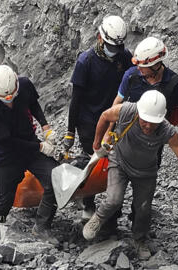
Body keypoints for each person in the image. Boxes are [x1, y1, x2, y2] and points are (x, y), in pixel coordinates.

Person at [82, 90, 178, 258]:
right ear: (139, 112)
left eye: (153, 123)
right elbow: (104, 116)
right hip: (120, 161)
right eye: (144, 121)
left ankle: (139, 239)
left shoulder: (166, 130)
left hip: (146, 172)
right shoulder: (126, 110)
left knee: (143, 209)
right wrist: (97, 144)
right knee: (114, 199)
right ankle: (99, 219)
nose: (148, 126)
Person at [63, 15, 133, 224]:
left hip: (114, 118)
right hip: (89, 120)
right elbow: (76, 99)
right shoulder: (86, 62)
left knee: (115, 160)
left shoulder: (124, 58)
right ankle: (88, 201)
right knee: (92, 161)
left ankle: (113, 206)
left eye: (117, 47)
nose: (115, 50)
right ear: (100, 38)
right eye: (111, 45)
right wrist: (70, 132)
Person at [0, 65, 60, 242]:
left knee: (55, 178)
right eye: (4, 99)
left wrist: (45, 126)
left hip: (30, 144)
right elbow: (8, 142)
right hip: (7, 155)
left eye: (12, 97)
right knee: (4, 200)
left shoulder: (24, 85)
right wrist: (40, 147)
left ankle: (42, 226)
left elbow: (33, 104)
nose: (9, 101)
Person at [106, 36, 178, 164]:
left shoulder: (175, 84)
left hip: (153, 140)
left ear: (156, 65)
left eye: (142, 66)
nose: (138, 68)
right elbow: (117, 102)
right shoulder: (131, 76)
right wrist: (109, 131)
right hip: (126, 135)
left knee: (148, 171)